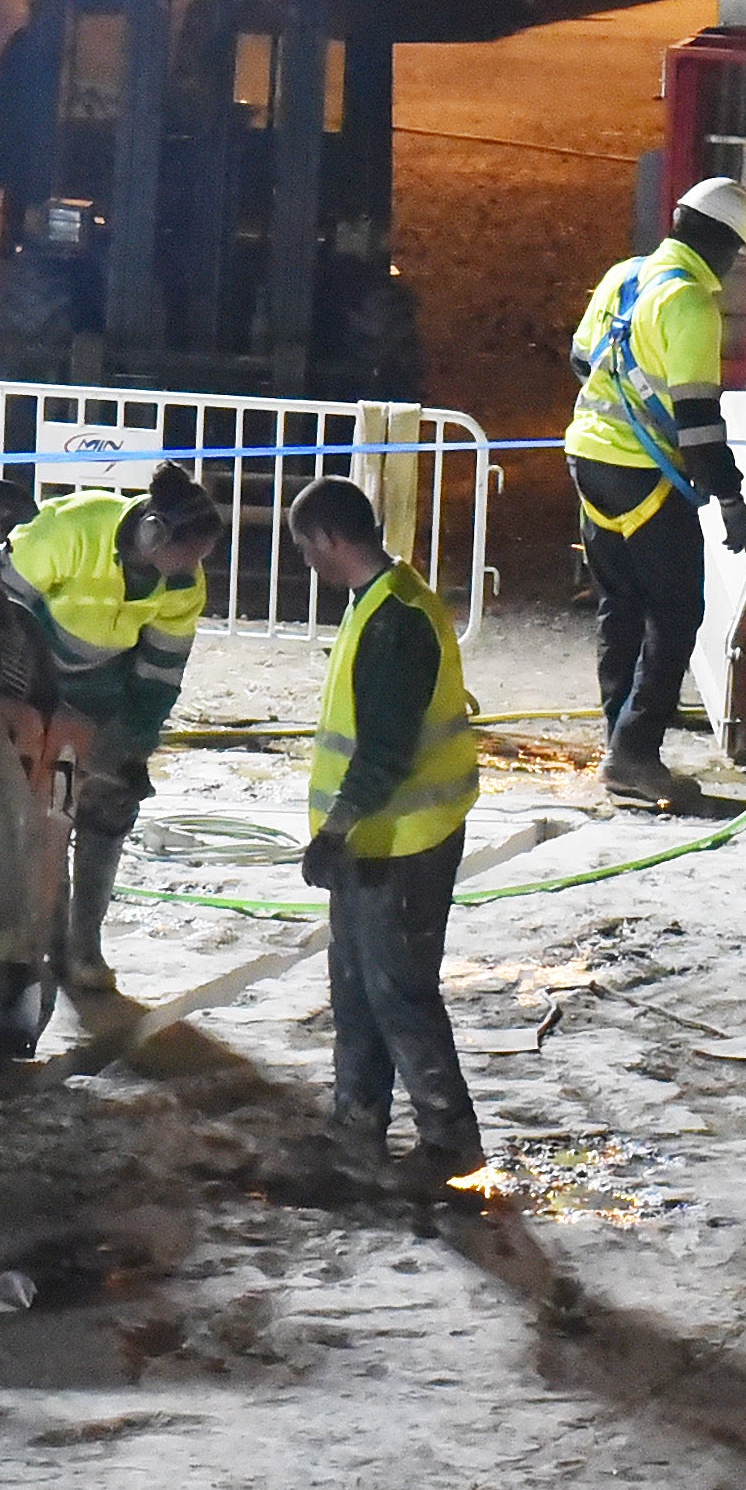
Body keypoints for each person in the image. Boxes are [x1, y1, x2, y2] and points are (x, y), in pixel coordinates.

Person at [289, 477, 481, 1184]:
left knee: (399, 991)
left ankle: (449, 1140)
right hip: (379, 841)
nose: (305, 561)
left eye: (306, 548)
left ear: (331, 540)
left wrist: (335, 830)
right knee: (356, 986)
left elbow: (383, 752)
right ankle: (356, 1122)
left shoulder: (393, 620)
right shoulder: (382, 600)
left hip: (405, 842)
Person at [561, 173, 746, 809]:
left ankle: (621, 743)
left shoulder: (624, 276)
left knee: (619, 603)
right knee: (674, 611)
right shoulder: (692, 306)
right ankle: (636, 752)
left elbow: (580, 360)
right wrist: (730, 498)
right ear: (726, 246)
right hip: (643, 476)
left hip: (588, 457)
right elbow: (700, 423)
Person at [0, 465, 223, 1007]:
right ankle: (43, 941)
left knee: (108, 803)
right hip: (30, 677)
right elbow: (1, 607)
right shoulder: (71, 530)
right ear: (151, 535)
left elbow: (162, 668)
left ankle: (84, 945)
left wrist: (134, 739)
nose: (192, 570)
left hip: (107, 691)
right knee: (47, 810)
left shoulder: (182, 582)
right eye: (187, 555)